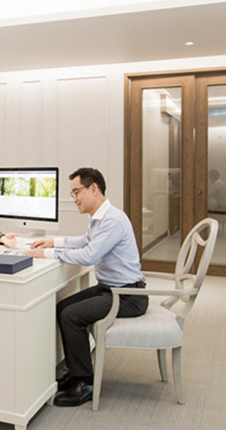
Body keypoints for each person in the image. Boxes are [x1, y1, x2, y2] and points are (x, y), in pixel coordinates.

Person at [25, 167, 148, 407]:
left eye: (76, 192)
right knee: (63, 307)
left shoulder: (113, 220)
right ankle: (76, 372)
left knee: (72, 315)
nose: (73, 199)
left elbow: (89, 255)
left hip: (128, 295)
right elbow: (85, 241)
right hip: (110, 288)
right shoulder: (100, 218)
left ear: (93, 188)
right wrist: (53, 242)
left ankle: (85, 383)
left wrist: (47, 253)